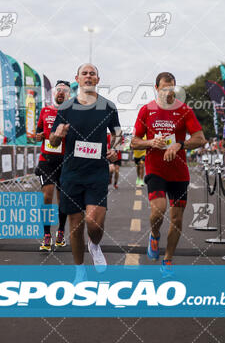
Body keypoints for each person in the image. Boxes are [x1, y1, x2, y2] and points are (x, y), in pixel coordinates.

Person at [49, 63, 121, 280]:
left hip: (97, 172)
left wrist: (115, 149)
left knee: (94, 223)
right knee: (75, 224)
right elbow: (52, 141)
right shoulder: (66, 108)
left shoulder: (108, 106)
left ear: (97, 80)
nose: (88, 76)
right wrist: (58, 134)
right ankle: (79, 269)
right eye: (84, 73)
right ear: (77, 79)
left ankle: (95, 245)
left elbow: (117, 133)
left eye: (92, 74)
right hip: (71, 173)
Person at [131, 72, 205, 276]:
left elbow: (200, 139)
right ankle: (154, 235)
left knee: (177, 219)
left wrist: (180, 144)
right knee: (158, 210)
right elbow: (134, 141)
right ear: (156, 88)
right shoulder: (147, 110)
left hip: (179, 172)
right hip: (155, 169)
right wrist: (149, 142)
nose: (168, 92)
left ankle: (168, 259)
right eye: (164, 88)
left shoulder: (184, 110)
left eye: (171, 88)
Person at [35, 80, 71, 251]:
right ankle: (46, 234)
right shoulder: (45, 110)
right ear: (54, 93)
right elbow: (37, 133)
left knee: (63, 199)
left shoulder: (72, 113)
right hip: (47, 160)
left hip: (65, 161)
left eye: (64, 90)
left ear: (69, 94)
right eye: (59, 90)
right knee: (47, 196)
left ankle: (61, 231)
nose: (61, 93)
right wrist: (38, 136)